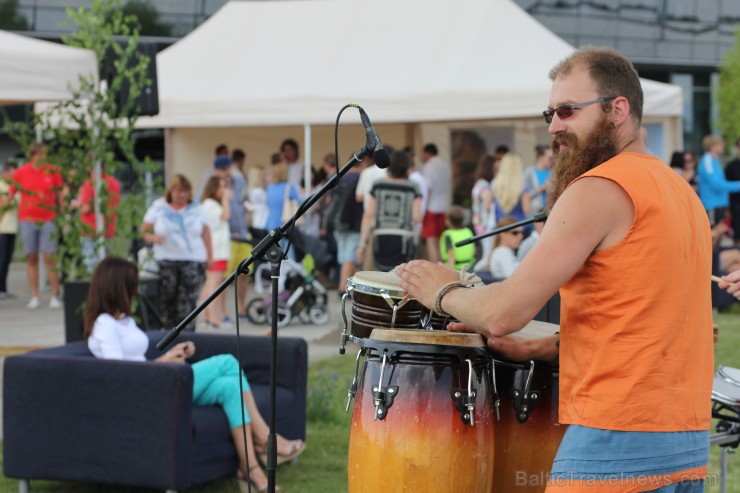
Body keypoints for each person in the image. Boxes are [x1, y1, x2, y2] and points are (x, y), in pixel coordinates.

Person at [396, 46, 712, 491]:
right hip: (686, 441)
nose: (554, 126)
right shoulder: (682, 193)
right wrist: (547, 349)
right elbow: (646, 317)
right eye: (550, 112)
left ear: (617, 109)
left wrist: (441, 290)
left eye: (567, 110)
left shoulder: (599, 187)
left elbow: (505, 311)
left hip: (615, 435)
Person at [84, 257, 305, 493]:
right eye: (132, 285)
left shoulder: (124, 320)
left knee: (231, 387)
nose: (136, 290)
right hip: (146, 391)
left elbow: (137, 364)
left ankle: (250, 470)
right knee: (227, 363)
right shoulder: (104, 324)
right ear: (118, 287)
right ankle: (264, 436)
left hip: (156, 379)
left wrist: (167, 357)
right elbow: (119, 373)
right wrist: (165, 363)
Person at [141, 174, 213, 332]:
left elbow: (206, 232)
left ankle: (187, 334)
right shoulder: (159, 206)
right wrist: (154, 238)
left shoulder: (197, 208)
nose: (180, 195)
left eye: (184, 191)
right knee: (168, 298)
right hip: (166, 258)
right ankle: (168, 333)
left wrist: (210, 256)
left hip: (193, 259)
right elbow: (144, 229)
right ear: (170, 192)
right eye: (177, 191)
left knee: (188, 300)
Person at [10, 143, 63, 309]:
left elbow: (59, 194)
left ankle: (55, 294)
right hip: (27, 219)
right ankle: (35, 295)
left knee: (50, 256)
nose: (43, 158)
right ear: (33, 156)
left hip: (48, 218)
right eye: (40, 155)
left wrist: (62, 215)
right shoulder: (21, 172)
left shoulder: (52, 171)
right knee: (31, 257)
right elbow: (11, 193)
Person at [357, 151, 422, 272]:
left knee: (382, 276)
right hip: (404, 239)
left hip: (381, 237)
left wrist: (362, 245)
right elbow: (416, 217)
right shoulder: (413, 187)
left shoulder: (378, 185)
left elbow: (368, 214)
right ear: (407, 166)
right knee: (402, 277)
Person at [199, 175, 232, 329]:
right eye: (221, 187)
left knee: (211, 284)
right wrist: (226, 199)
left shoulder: (209, 204)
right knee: (214, 284)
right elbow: (226, 215)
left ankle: (208, 315)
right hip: (217, 250)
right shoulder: (210, 204)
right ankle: (213, 316)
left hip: (218, 249)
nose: (223, 190)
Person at [74, 168, 121, 274]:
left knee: (91, 265)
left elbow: (85, 208)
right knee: (108, 264)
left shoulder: (90, 183)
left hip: (90, 230)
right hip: (109, 228)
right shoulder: (113, 182)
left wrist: (76, 204)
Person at [228, 149, 254, 319]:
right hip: (230, 235)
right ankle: (224, 312)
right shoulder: (233, 178)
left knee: (243, 275)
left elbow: (245, 202)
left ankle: (240, 308)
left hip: (241, 234)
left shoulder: (239, 179)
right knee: (225, 277)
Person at [697, 135, 740, 227]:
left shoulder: (714, 161)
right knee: (713, 238)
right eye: (720, 144)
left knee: (718, 236)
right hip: (712, 206)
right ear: (712, 146)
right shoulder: (707, 161)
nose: (723, 145)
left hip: (718, 205)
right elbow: (717, 184)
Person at [419, 143, 452, 263]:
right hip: (443, 206)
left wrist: (422, 209)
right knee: (439, 240)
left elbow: (427, 188)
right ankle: (441, 265)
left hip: (431, 207)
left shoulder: (429, 166)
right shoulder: (445, 165)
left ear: (427, 153)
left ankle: (435, 266)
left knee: (430, 240)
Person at [471, 154, 495, 271]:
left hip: (478, 223)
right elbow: (487, 205)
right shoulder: (485, 186)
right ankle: (478, 273)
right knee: (487, 255)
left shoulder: (478, 183)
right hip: (485, 224)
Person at [491, 152, 531, 222]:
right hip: (519, 227)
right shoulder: (523, 186)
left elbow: (488, 206)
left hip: (500, 227)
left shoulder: (494, 185)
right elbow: (527, 210)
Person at [0, 159, 18, 299]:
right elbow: (3, 205)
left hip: (12, 227)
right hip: (2, 228)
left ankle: (3, 289)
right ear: (6, 172)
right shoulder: (2, 186)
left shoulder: (13, 185)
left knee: (6, 260)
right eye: (13, 173)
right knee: (2, 259)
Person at [439, 205, 475, 270]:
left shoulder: (448, 235)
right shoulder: (468, 231)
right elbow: (474, 251)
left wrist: (450, 271)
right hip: (470, 267)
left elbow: (451, 254)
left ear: (448, 221)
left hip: (456, 270)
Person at [524, 145, 553, 213]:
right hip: (535, 213)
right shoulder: (529, 173)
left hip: (550, 211)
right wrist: (542, 188)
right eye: (550, 158)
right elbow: (525, 195)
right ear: (541, 157)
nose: (552, 161)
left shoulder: (552, 172)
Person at [725, 138, 740, 244]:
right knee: (737, 235)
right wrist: (728, 208)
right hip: (736, 206)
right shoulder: (731, 166)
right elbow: (725, 188)